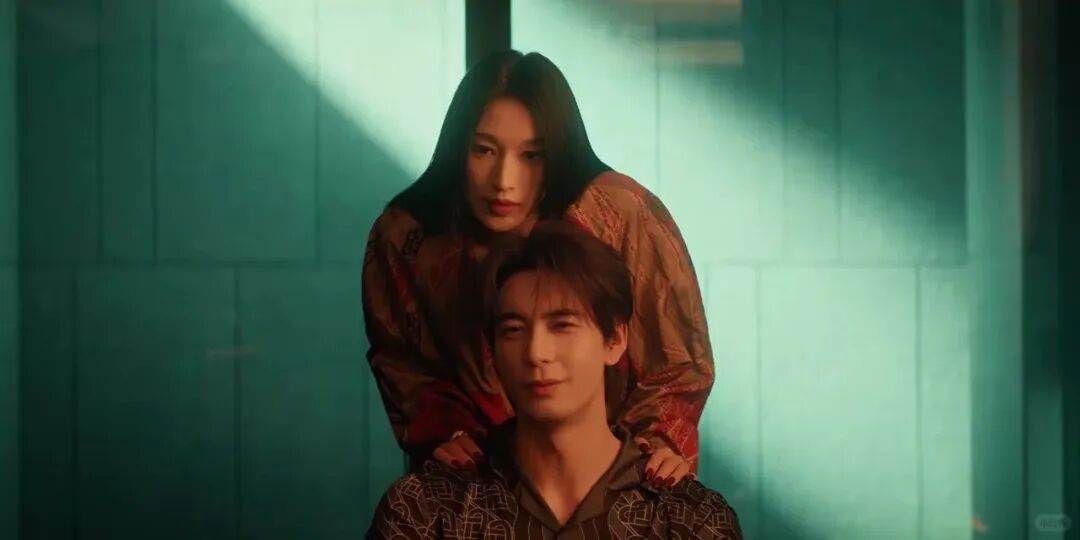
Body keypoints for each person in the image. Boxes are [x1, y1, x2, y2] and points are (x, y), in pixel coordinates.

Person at [362, 50, 713, 485]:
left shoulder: (622, 215)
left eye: (532, 155)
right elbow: (398, 358)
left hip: (615, 471)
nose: (503, 180)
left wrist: (650, 451)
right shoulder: (406, 234)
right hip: (470, 477)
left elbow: (678, 361)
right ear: (458, 148)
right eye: (484, 150)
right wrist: (443, 430)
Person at [366, 222, 741, 539]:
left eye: (562, 325)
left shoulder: (687, 520)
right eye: (514, 330)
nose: (536, 353)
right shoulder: (426, 511)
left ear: (614, 339)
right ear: (493, 350)